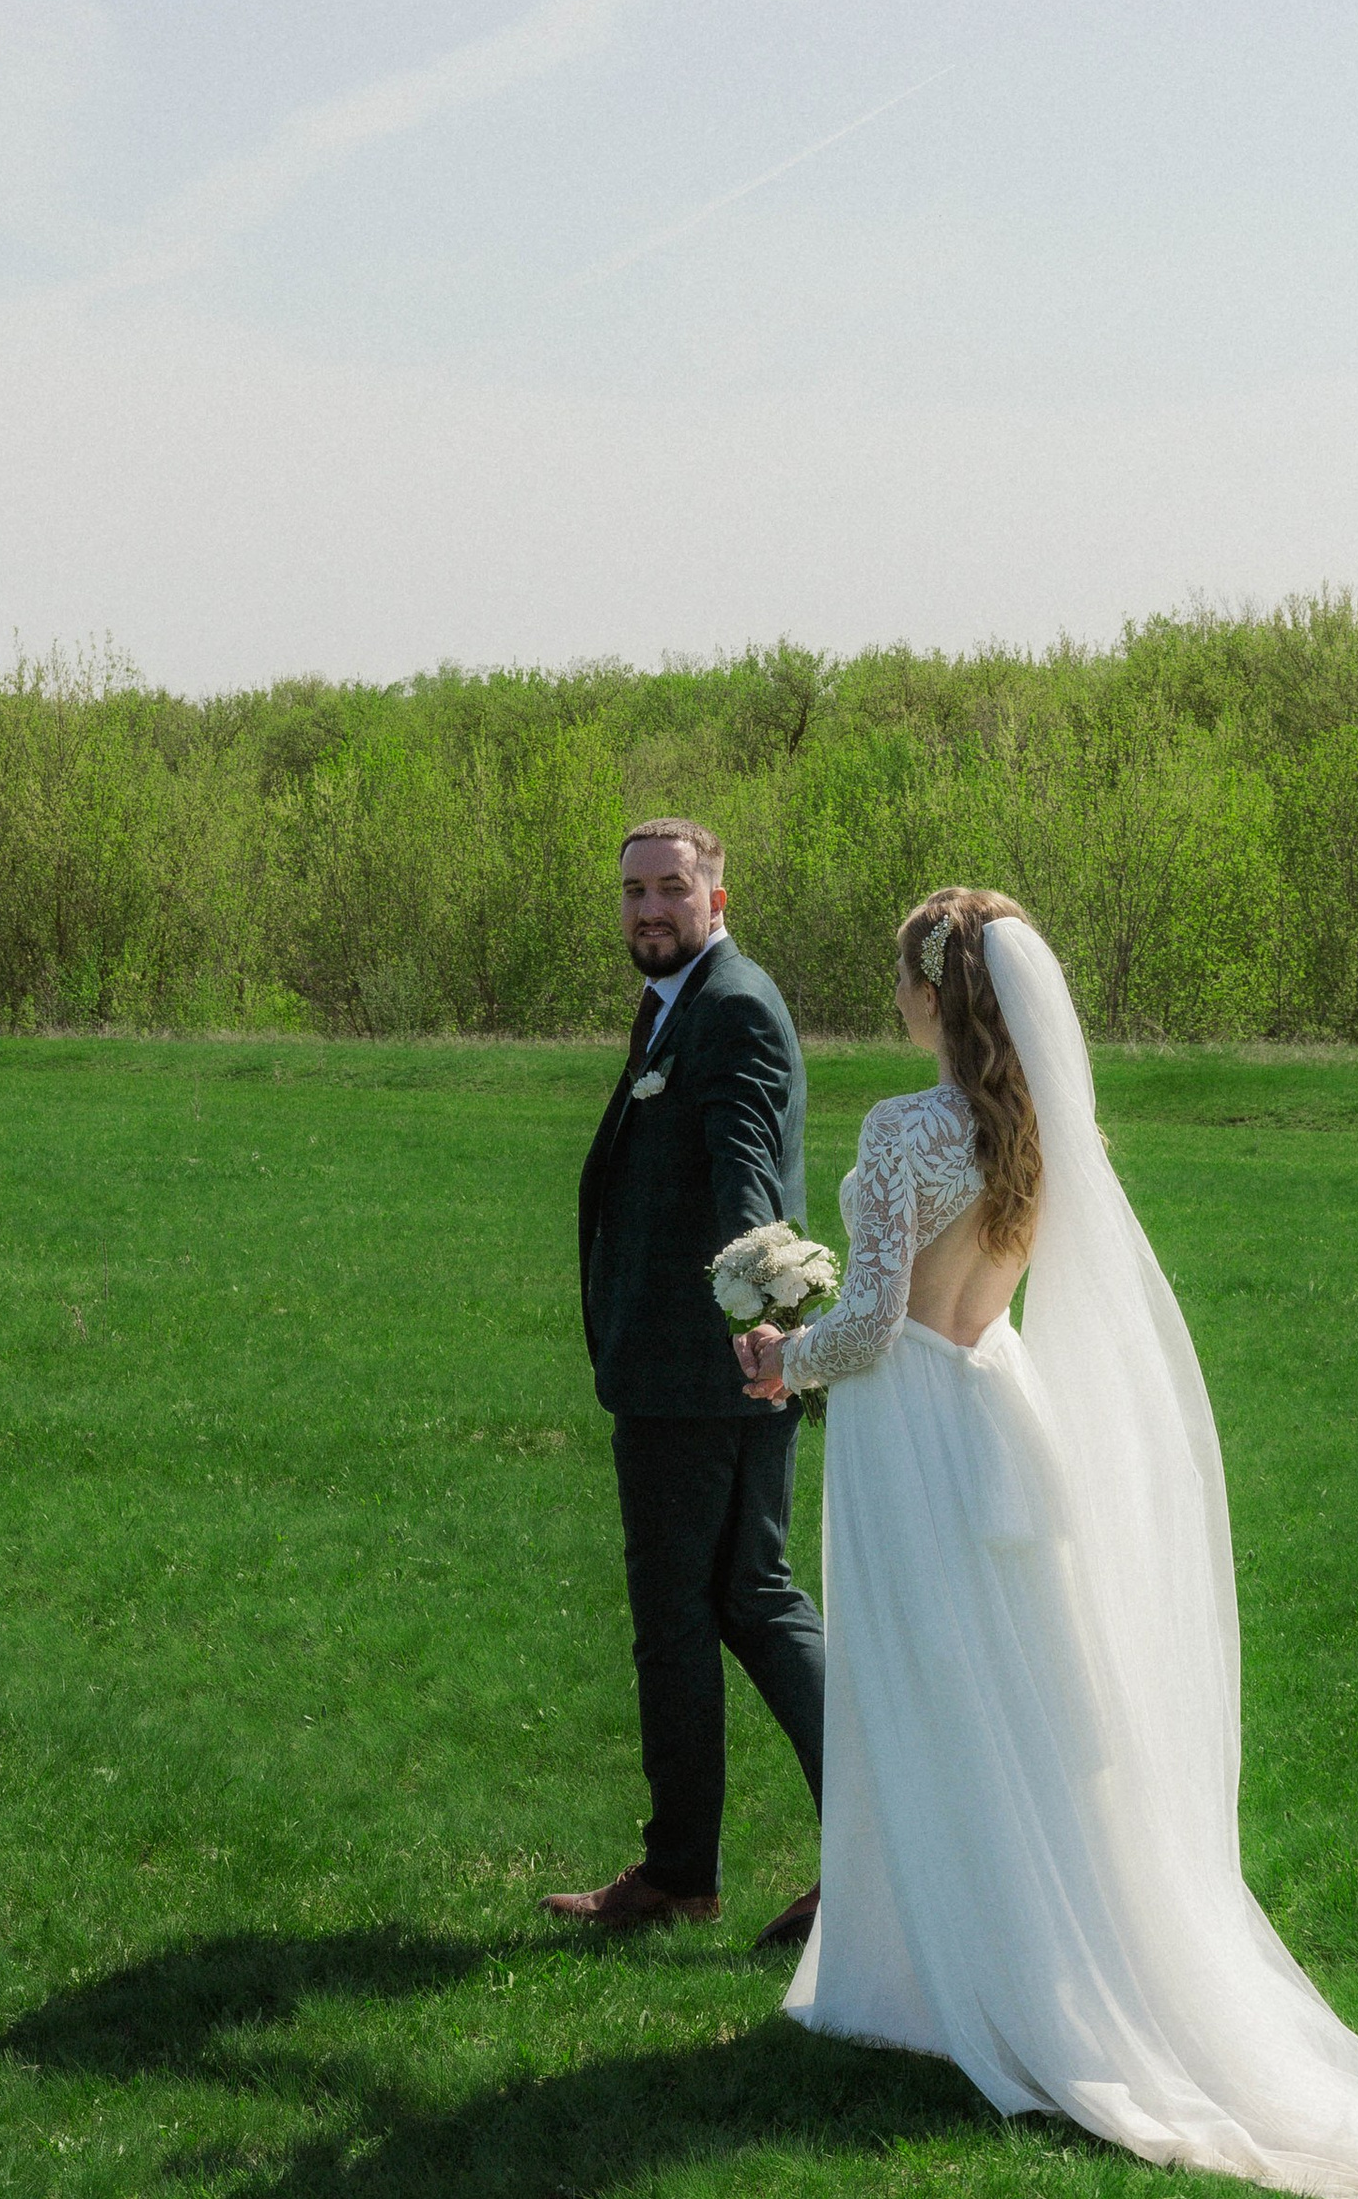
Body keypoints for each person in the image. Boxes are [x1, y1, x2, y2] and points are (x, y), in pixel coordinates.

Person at [738, 888, 1358, 2191]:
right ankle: (1005, 1947)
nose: (896, 997)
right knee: (1019, 1700)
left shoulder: (906, 1128)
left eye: (904, 979)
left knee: (924, 1697)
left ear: (935, 995)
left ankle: (937, 1979)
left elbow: (867, 1327)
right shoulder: (1042, 1131)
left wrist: (776, 1352)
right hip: (998, 1403)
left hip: (915, 1422)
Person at [543, 818, 826, 1945]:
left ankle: (686, 1874)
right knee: (744, 1601)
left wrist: (757, 1327)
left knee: (707, 1610)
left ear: (717, 895)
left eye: (669, 888)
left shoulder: (732, 1005)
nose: (648, 909)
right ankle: (694, 1869)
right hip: (692, 1367)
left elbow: (745, 1170)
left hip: (702, 1374)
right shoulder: (678, 999)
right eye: (631, 892)